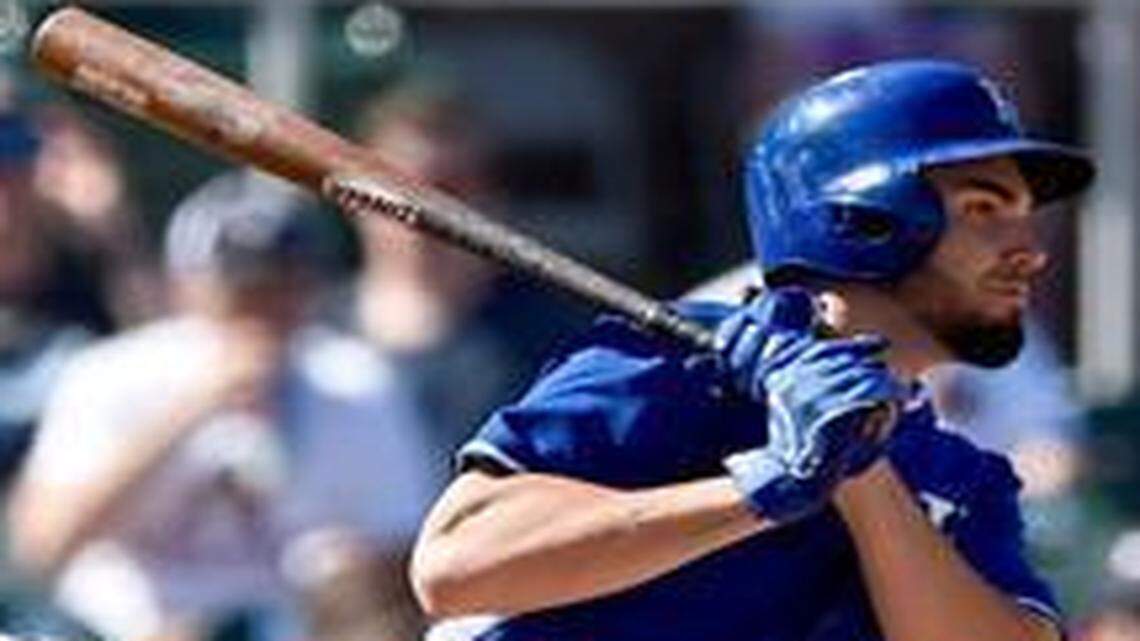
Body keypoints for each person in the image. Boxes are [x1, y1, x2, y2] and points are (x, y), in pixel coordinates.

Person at [409, 59, 1096, 641]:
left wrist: (859, 470)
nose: (1030, 251)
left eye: (1025, 214)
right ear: (865, 216)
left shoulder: (961, 480)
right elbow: (456, 563)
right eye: (984, 208)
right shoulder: (680, 366)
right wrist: (762, 488)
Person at [8, 171, 436, 641]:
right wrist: (191, 410)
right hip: (120, 628)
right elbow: (41, 546)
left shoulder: (354, 381)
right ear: (187, 287)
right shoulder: (114, 373)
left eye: (282, 290)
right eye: (241, 294)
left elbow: (401, 570)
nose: (263, 314)